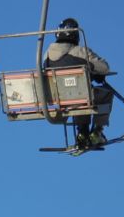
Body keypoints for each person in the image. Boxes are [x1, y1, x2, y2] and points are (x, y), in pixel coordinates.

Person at [44, 17, 114, 151]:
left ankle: (82, 132)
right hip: (79, 98)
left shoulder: (46, 54)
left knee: (77, 94)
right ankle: (96, 132)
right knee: (98, 94)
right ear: (75, 35)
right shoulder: (79, 52)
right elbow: (104, 67)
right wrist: (94, 71)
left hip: (56, 99)